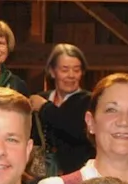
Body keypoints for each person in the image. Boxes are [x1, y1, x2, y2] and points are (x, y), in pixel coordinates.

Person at [28, 43, 94, 176]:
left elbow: (77, 130)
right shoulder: (42, 98)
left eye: (76, 70)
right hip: (40, 174)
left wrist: (45, 108)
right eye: (65, 70)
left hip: (77, 174)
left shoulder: (89, 101)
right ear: (52, 72)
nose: (71, 75)